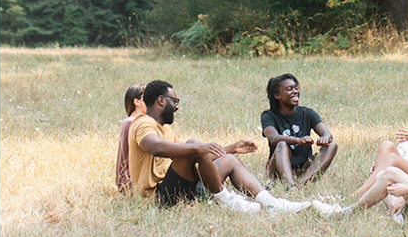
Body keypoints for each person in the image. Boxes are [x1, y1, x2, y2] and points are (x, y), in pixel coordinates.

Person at [128, 80, 310, 213]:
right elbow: (155, 147)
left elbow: (190, 158)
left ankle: (271, 203)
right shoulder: (143, 123)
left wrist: (231, 148)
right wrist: (199, 148)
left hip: (177, 188)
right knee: (193, 145)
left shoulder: (164, 130)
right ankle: (226, 200)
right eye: (174, 101)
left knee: (228, 160)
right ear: (161, 100)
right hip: (157, 198)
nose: (176, 107)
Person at [260, 73, 337, 187]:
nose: (295, 91)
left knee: (332, 145)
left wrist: (324, 139)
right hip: (277, 168)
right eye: (289, 89)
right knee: (282, 144)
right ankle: (290, 185)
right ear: (277, 95)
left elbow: (327, 134)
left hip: (304, 167)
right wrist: (298, 140)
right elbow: (273, 138)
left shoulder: (308, 113)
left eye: (296, 88)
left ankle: (302, 183)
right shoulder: (268, 116)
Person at [115, 83, 146, 192]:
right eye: (148, 97)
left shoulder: (130, 122)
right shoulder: (132, 123)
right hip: (131, 182)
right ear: (137, 102)